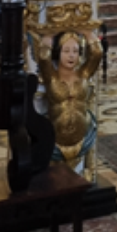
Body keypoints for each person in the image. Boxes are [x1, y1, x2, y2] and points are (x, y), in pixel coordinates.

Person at [35, 30, 103, 174]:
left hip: (82, 140)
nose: (71, 55)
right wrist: (50, 33)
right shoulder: (52, 78)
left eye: (75, 51)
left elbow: (96, 54)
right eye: (66, 51)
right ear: (58, 53)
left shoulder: (83, 75)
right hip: (55, 143)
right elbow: (43, 57)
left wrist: (88, 33)